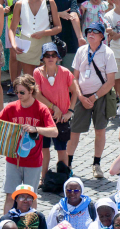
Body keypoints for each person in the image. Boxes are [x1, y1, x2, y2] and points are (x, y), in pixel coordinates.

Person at [0, 76, 57, 213]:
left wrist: (35, 129)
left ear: (31, 91)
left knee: (31, 197)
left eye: (22, 92)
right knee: (10, 196)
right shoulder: (11, 107)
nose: (18, 95)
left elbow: (54, 132)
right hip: (13, 160)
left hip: (33, 161)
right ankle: (5, 226)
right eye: (16, 92)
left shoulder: (41, 109)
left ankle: (30, 227)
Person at [67, 23, 116, 179]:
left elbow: (110, 82)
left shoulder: (108, 53)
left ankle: (96, 164)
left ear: (102, 36)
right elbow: (74, 78)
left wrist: (94, 97)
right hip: (82, 96)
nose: (91, 34)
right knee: (74, 131)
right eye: (89, 31)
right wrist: (80, 96)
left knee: (100, 130)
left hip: (100, 97)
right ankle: (67, 165)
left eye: (95, 32)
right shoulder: (81, 51)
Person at [33, 43, 75, 177]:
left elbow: (75, 92)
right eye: (47, 55)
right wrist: (53, 107)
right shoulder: (37, 72)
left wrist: (70, 111)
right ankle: (43, 177)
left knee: (62, 150)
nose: (50, 57)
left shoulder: (65, 72)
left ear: (58, 57)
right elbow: (37, 94)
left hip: (61, 118)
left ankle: (63, 177)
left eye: (53, 55)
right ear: (43, 58)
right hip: (44, 117)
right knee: (44, 149)